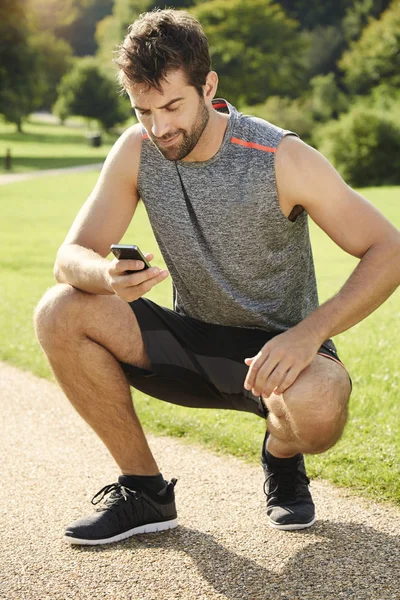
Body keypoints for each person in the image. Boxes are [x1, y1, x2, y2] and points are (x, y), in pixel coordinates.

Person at [34, 9, 400, 546]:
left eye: (172, 106)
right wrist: (106, 274)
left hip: (281, 354)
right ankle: (145, 491)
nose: (159, 127)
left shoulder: (280, 155)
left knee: (321, 409)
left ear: (208, 86)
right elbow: (70, 256)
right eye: (143, 110)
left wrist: (308, 335)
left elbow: (388, 248)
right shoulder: (137, 148)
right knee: (59, 310)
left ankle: (281, 455)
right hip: (188, 342)